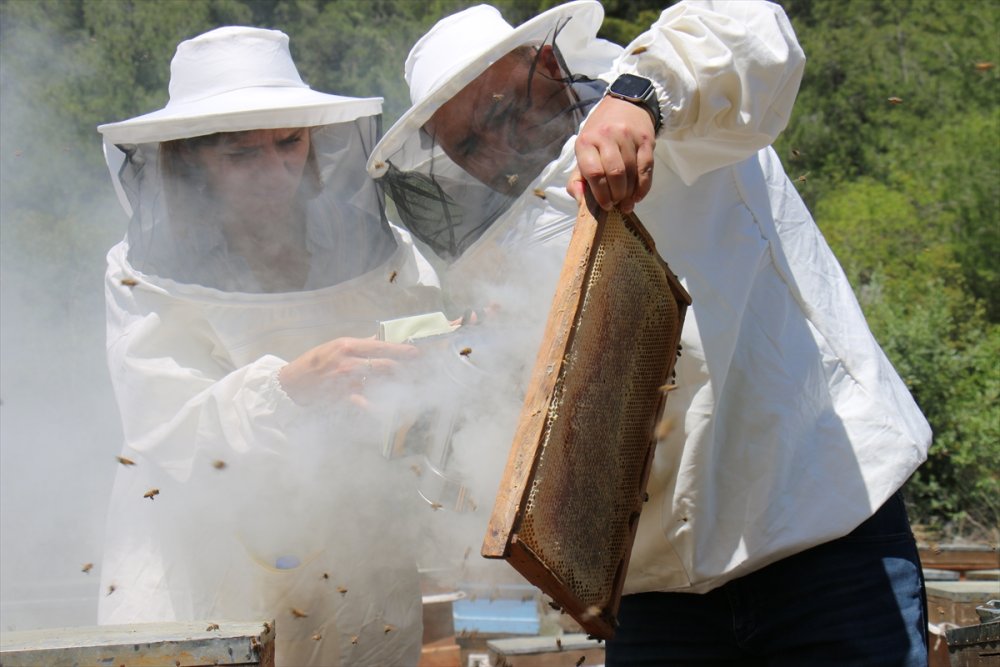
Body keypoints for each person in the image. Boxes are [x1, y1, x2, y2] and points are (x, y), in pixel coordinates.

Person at [368, 1, 933, 665]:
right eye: (466, 146)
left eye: (496, 115)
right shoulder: (501, 247)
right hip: (655, 596)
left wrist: (640, 98)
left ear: (547, 64)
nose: (493, 150)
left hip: (821, 538)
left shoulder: (676, 112)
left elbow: (754, 30)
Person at [96, 26, 448, 666]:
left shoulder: (379, 250)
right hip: (207, 568)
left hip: (355, 559)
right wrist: (284, 390)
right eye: (241, 155)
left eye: (290, 143)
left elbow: (430, 359)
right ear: (190, 158)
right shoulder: (140, 274)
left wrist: (449, 358)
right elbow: (167, 433)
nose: (275, 169)